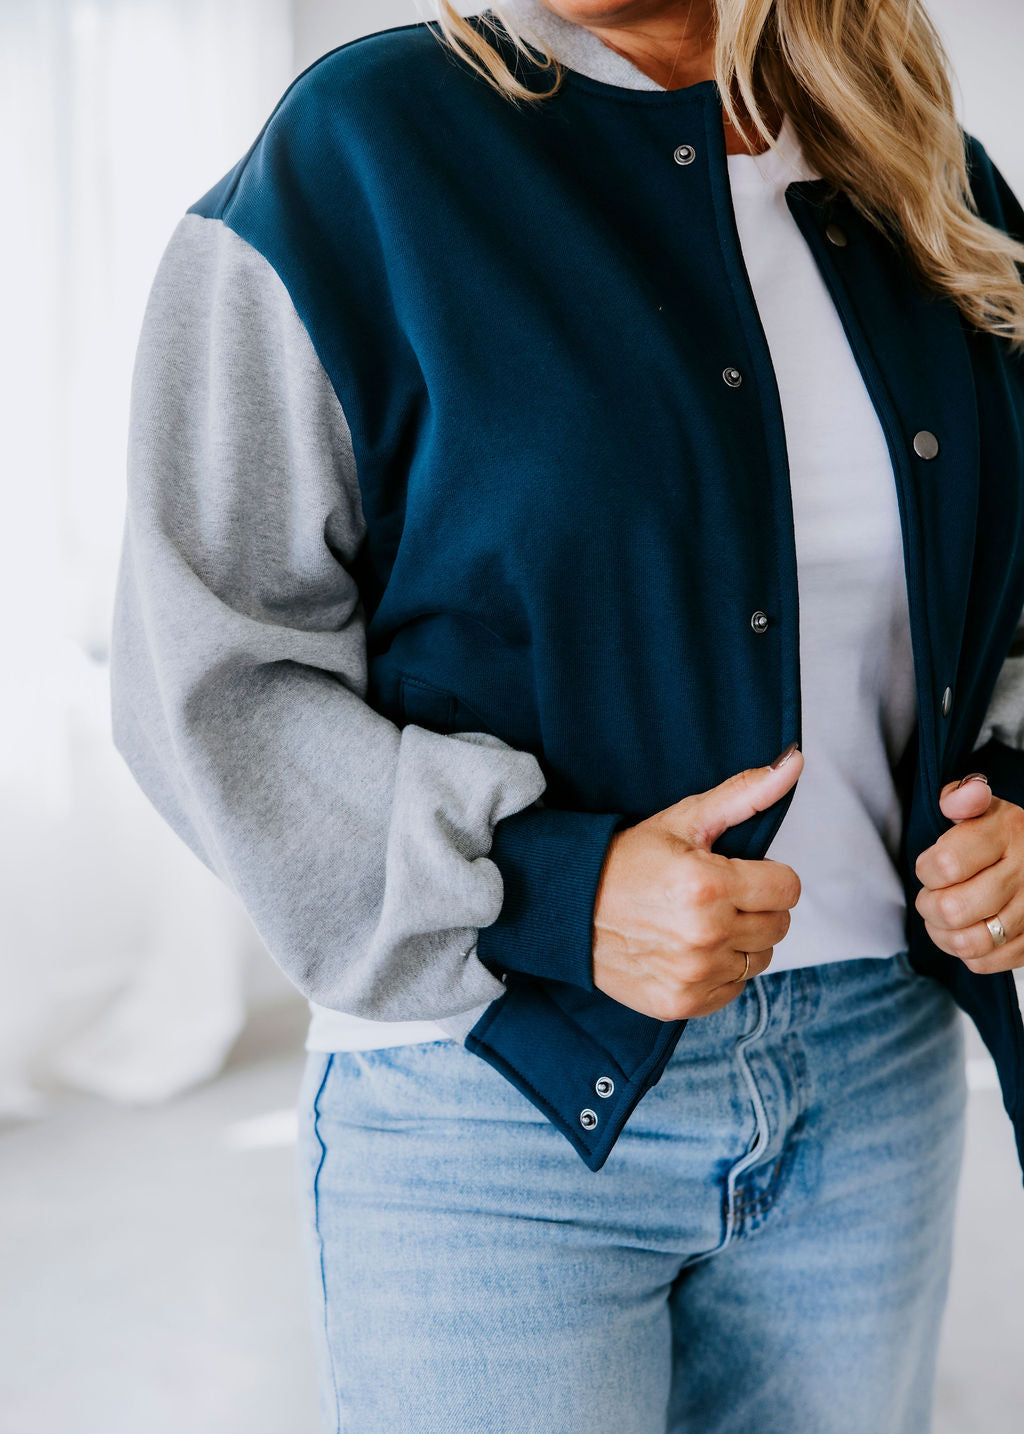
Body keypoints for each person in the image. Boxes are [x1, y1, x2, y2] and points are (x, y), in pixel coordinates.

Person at [109, 0, 1024, 1429]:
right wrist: (550, 885)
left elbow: (1007, 603)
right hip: (490, 1096)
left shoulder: (931, 180)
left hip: (874, 1086)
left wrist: (1016, 804)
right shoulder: (361, 151)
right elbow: (206, 672)